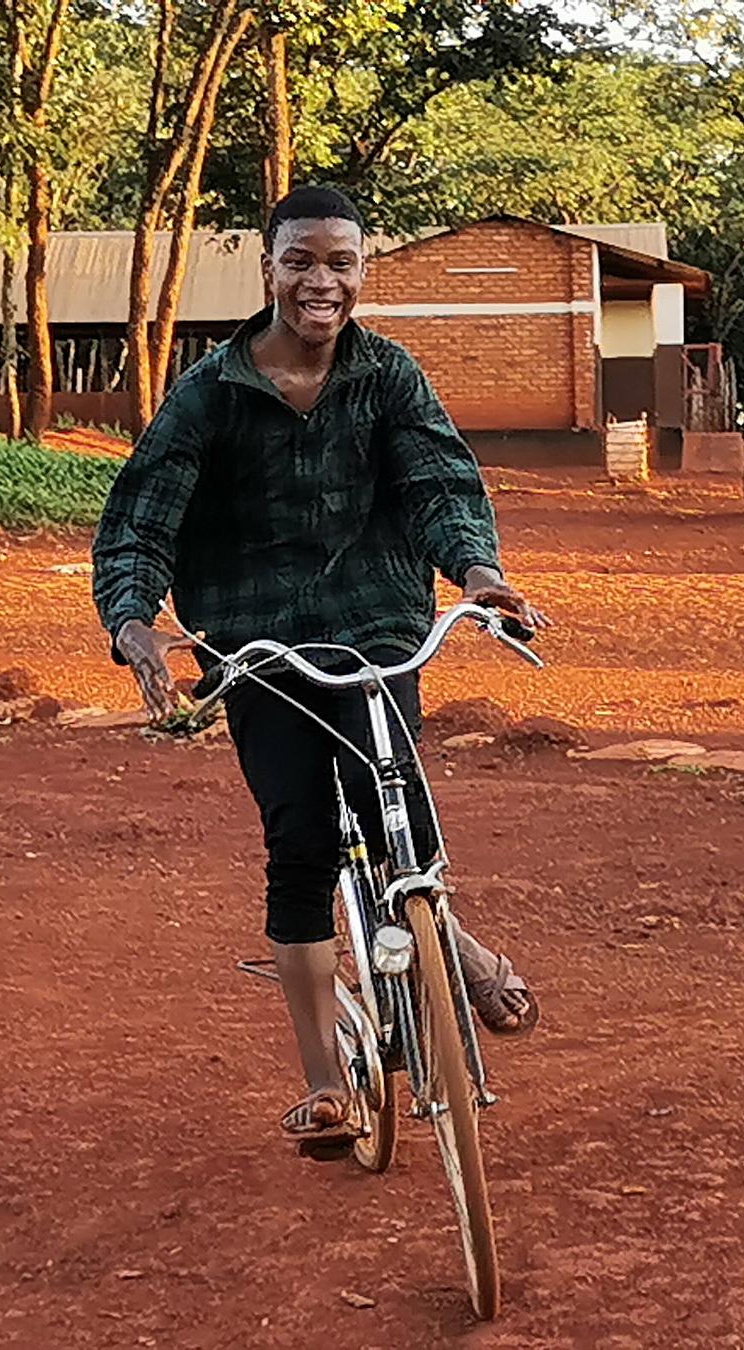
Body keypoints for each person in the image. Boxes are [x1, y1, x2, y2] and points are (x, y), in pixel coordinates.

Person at [91, 185, 546, 1159]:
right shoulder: (210, 394)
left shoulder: (389, 377)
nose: (320, 281)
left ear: (362, 271)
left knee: (397, 810)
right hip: (255, 640)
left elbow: (438, 485)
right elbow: (144, 517)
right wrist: (134, 620)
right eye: (299, 260)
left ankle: (447, 940)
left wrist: (478, 573)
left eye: (341, 262)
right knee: (299, 841)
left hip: (375, 625)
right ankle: (326, 1083)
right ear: (268, 269)